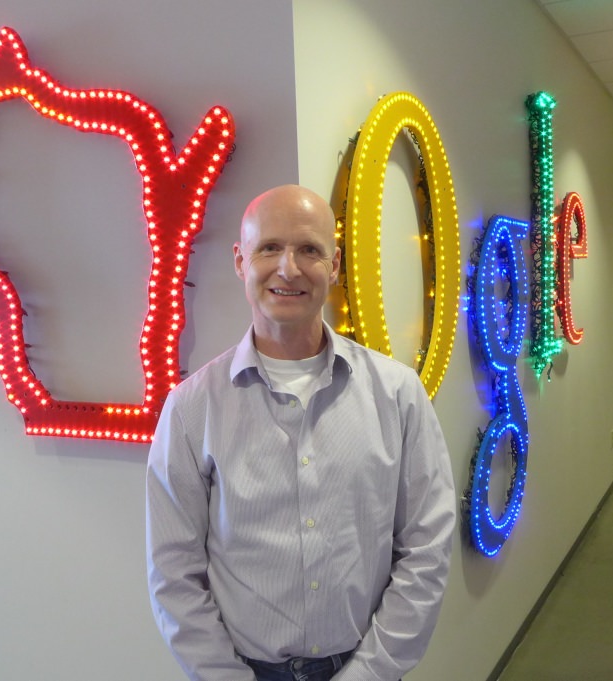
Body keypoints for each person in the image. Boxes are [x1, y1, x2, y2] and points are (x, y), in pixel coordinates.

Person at [145, 184, 456, 681]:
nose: (288, 268)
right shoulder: (191, 408)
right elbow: (174, 574)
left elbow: (427, 546)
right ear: (240, 260)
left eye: (309, 250)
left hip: (366, 668)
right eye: (269, 247)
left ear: (333, 267)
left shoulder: (397, 393)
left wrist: (370, 674)